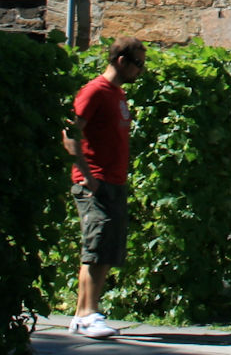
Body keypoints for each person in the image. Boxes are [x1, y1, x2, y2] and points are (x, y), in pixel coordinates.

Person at [62, 38, 147, 339]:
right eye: (138, 64)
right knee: (96, 247)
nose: (141, 70)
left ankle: (81, 315)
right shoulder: (95, 90)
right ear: (121, 61)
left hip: (113, 180)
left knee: (106, 248)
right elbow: (70, 132)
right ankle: (88, 315)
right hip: (95, 181)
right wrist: (87, 176)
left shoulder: (117, 93)